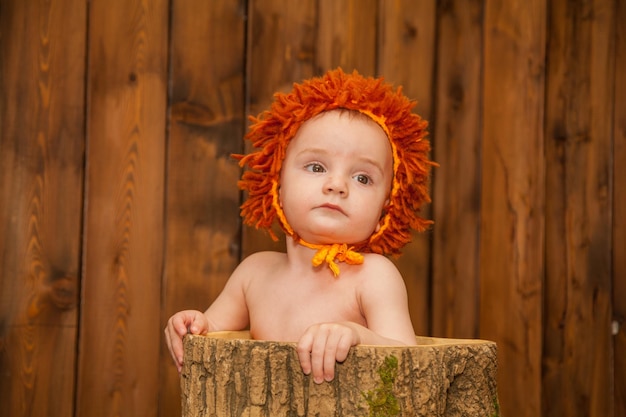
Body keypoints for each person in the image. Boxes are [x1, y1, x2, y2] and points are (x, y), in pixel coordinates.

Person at [164, 68, 435, 384]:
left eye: (362, 178)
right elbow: (210, 335)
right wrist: (190, 326)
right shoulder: (255, 274)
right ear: (276, 182)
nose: (337, 185)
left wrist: (358, 335)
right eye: (317, 167)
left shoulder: (373, 277)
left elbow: (411, 360)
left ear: (387, 206)